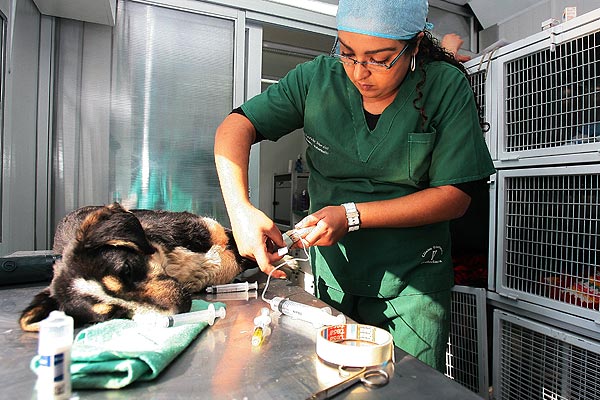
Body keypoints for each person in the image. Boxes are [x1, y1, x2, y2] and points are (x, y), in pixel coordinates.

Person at [214, 0, 495, 371]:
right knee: (336, 377)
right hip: (337, 276)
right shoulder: (317, 79)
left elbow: (454, 197)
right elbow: (236, 126)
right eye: (347, 53)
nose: (360, 72)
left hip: (412, 283)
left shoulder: (444, 86)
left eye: (380, 58)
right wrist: (241, 210)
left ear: (414, 45)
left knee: (406, 383)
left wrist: (353, 215)